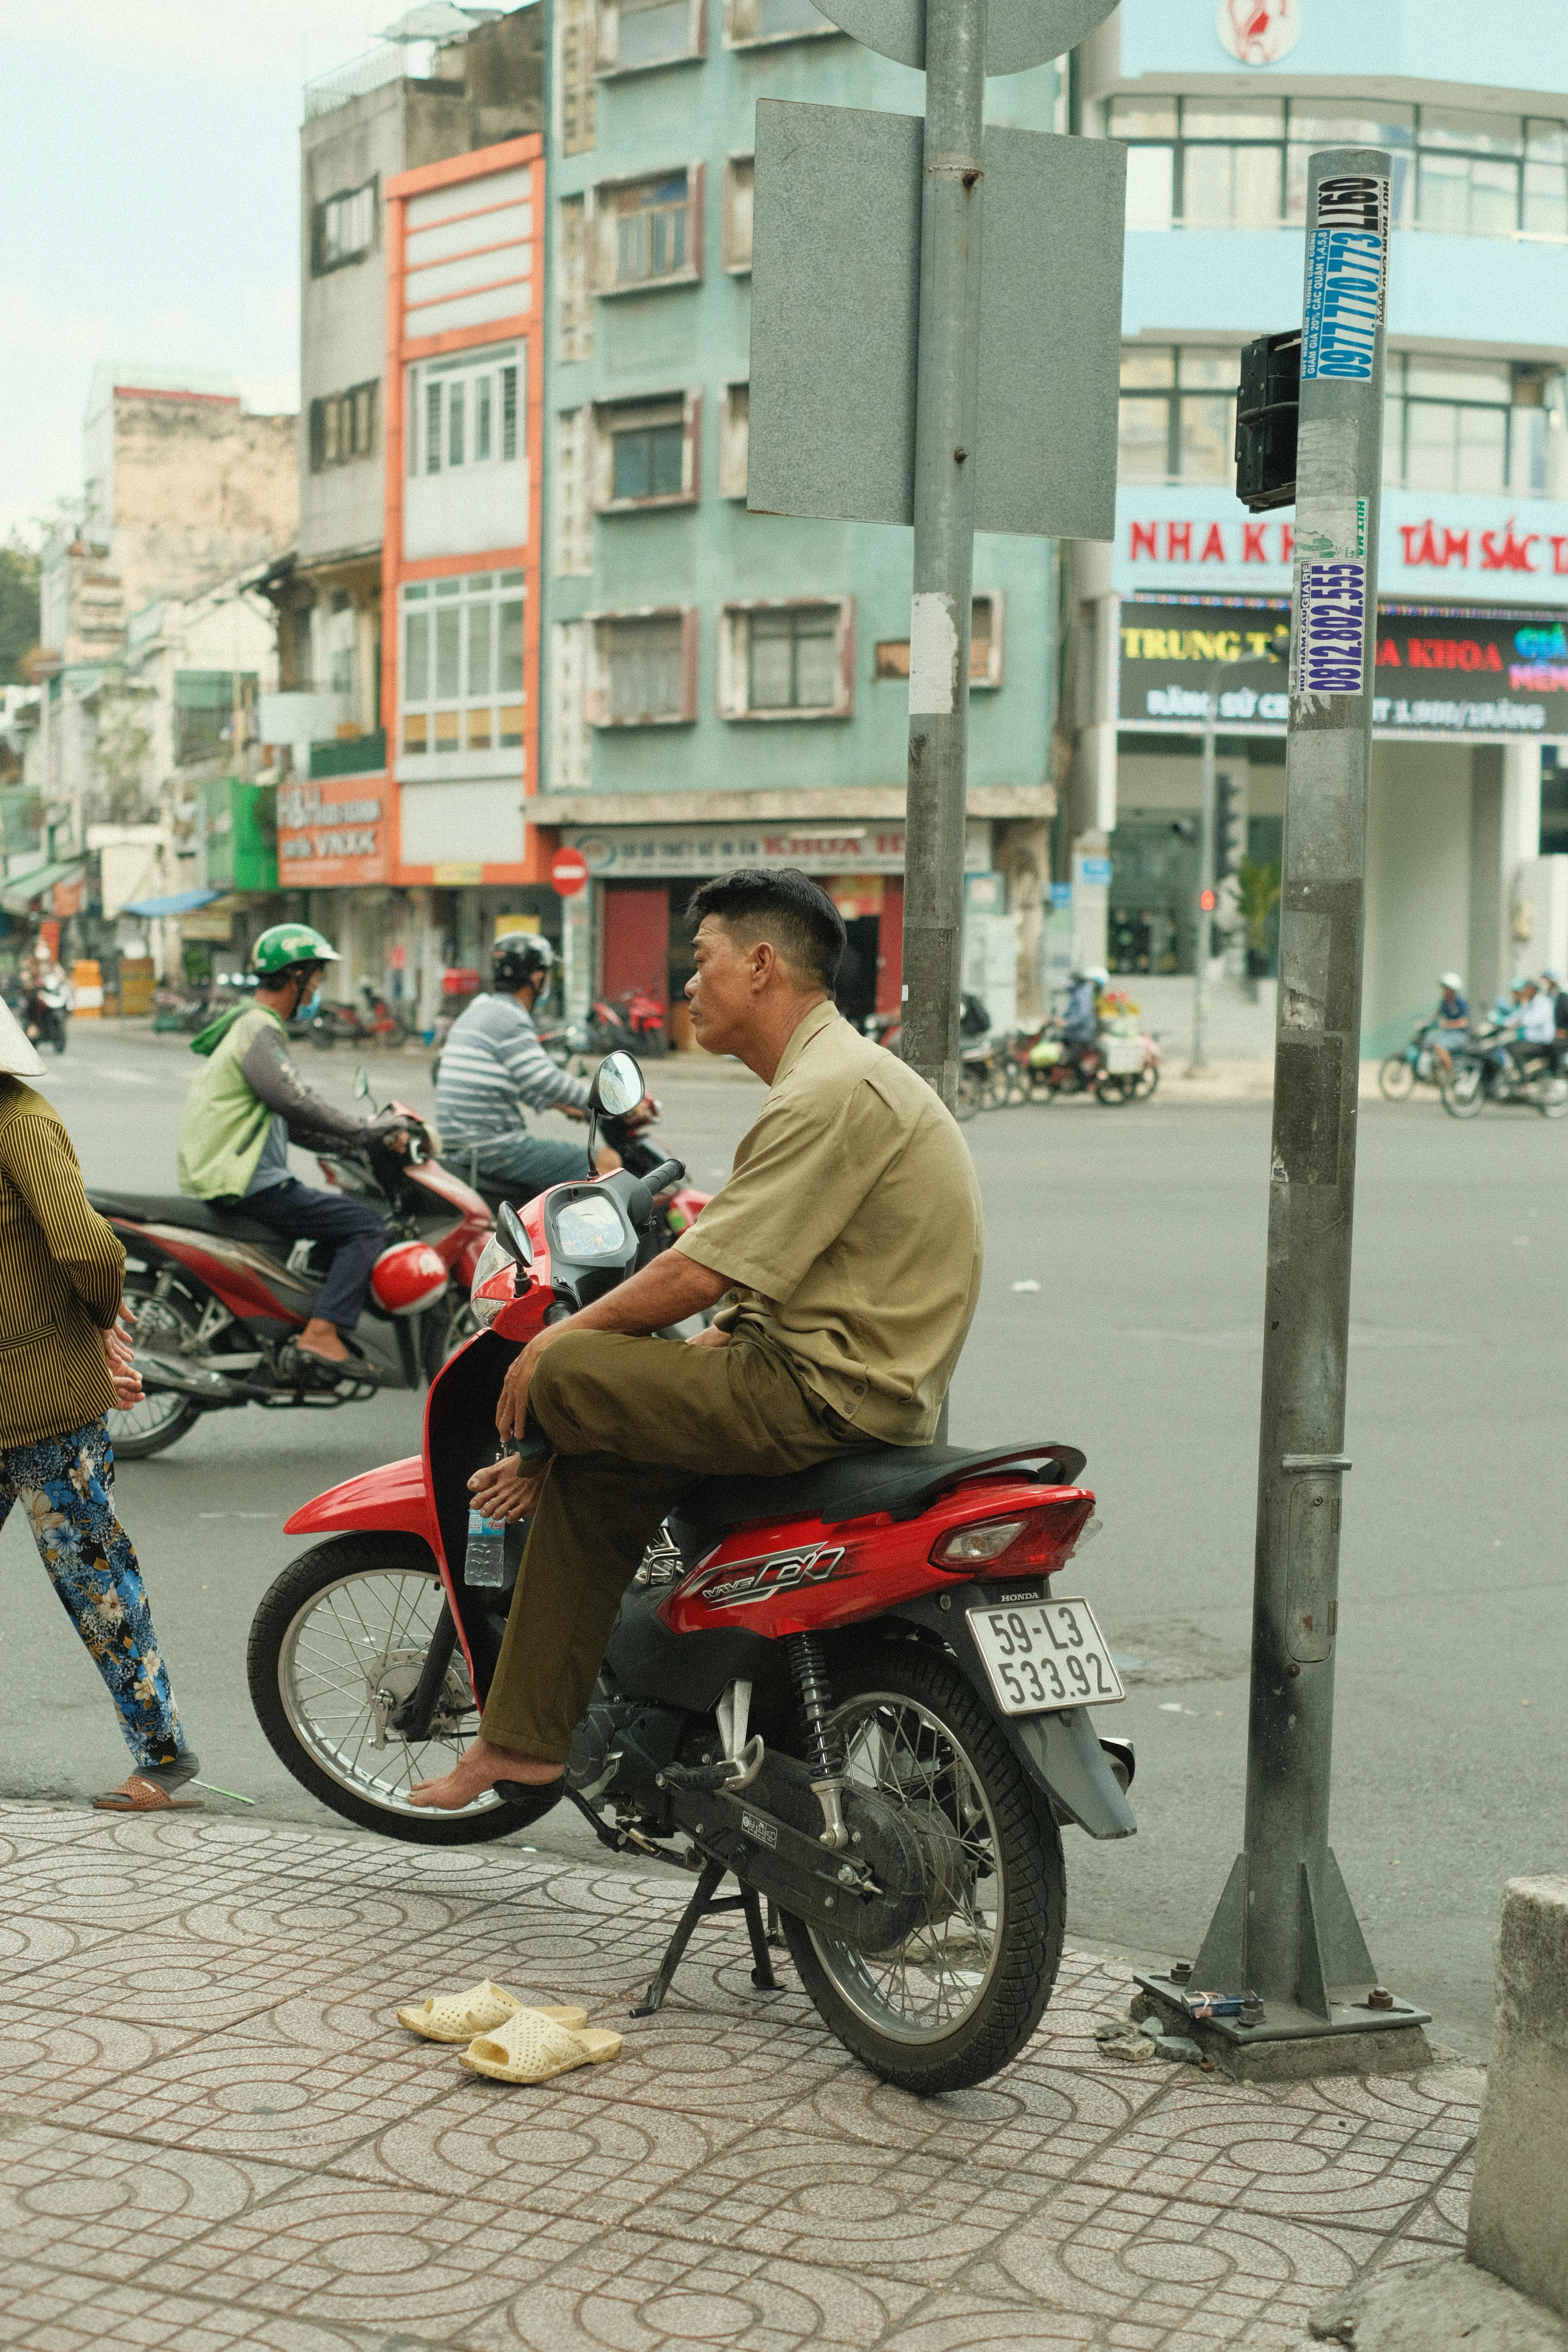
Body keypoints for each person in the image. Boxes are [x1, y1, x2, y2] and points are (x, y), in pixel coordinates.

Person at [410, 867, 984, 1811]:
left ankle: (538, 1487)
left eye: (702, 959)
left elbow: (696, 1270)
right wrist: (711, 1339)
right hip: (834, 1378)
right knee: (600, 1474)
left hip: (818, 1398)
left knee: (566, 1367)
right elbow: (785, 1274)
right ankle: (521, 1744)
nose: (686, 984)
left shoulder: (828, 1088)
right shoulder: (836, 1075)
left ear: (761, 966)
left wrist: (554, 1350)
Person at [0, 995, 200, 1810]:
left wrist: (95, 1333)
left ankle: (163, 1758)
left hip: (45, 1406)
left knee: (98, 1585)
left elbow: (89, 1250)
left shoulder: (20, 1121)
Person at [176, 923, 407, 1377]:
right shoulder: (259, 1029)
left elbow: (290, 1120)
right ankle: (321, 1333)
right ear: (295, 976)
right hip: (246, 1181)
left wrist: (353, 1139)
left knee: (335, 1221)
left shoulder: (248, 1026)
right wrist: (366, 1129)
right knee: (363, 1225)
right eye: (316, 980)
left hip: (229, 1174)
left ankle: (307, 1311)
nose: (317, 991)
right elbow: (294, 1100)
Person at [435, 934, 645, 1202]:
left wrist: (561, 1105)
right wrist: (616, 1100)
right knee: (607, 1163)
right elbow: (547, 1079)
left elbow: (513, 1079)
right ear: (537, 979)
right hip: (493, 1148)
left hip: (465, 1144)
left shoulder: (480, 1010)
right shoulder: (510, 1018)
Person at [1431, 972, 1470, 1075]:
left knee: (1439, 1046)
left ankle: (1451, 1073)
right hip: (1448, 1034)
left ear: (1452, 989)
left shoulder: (1461, 1004)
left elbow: (1464, 1023)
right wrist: (1426, 1023)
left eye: (1445, 988)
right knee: (1429, 1041)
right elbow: (1438, 1014)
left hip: (1460, 1035)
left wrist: (1447, 1024)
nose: (1443, 990)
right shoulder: (1444, 1002)